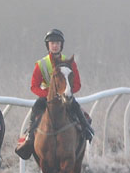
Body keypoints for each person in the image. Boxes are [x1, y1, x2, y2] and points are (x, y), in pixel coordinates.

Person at [15, 29, 94, 159]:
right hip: (47, 98)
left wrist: (66, 91)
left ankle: (86, 129)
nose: (55, 45)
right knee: (36, 108)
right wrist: (47, 95)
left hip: (65, 97)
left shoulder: (69, 62)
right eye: (52, 43)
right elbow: (34, 86)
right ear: (48, 45)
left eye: (57, 43)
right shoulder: (41, 64)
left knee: (77, 108)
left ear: (61, 45)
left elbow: (77, 84)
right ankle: (29, 136)